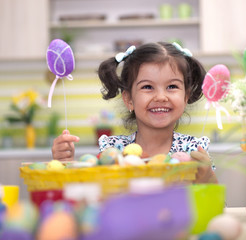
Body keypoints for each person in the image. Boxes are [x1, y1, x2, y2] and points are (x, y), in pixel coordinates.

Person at [52, 42, 217, 183]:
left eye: (172, 86)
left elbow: (218, 207)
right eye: (147, 87)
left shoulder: (195, 151)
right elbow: (95, 200)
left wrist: (207, 178)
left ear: (186, 96)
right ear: (129, 99)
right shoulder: (113, 150)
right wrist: (64, 164)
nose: (161, 97)